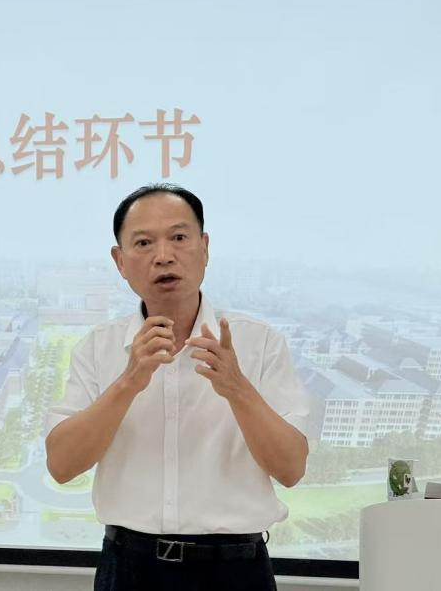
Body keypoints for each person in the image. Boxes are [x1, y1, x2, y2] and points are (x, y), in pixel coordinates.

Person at [44, 183, 310, 591]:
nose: (163, 255)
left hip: (235, 571)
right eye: (143, 243)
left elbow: (291, 469)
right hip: (129, 569)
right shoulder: (98, 348)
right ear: (120, 261)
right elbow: (62, 466)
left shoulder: (259, 343)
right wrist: (129, 382)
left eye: (179, 237)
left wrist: (237, 388)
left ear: (205, 247)